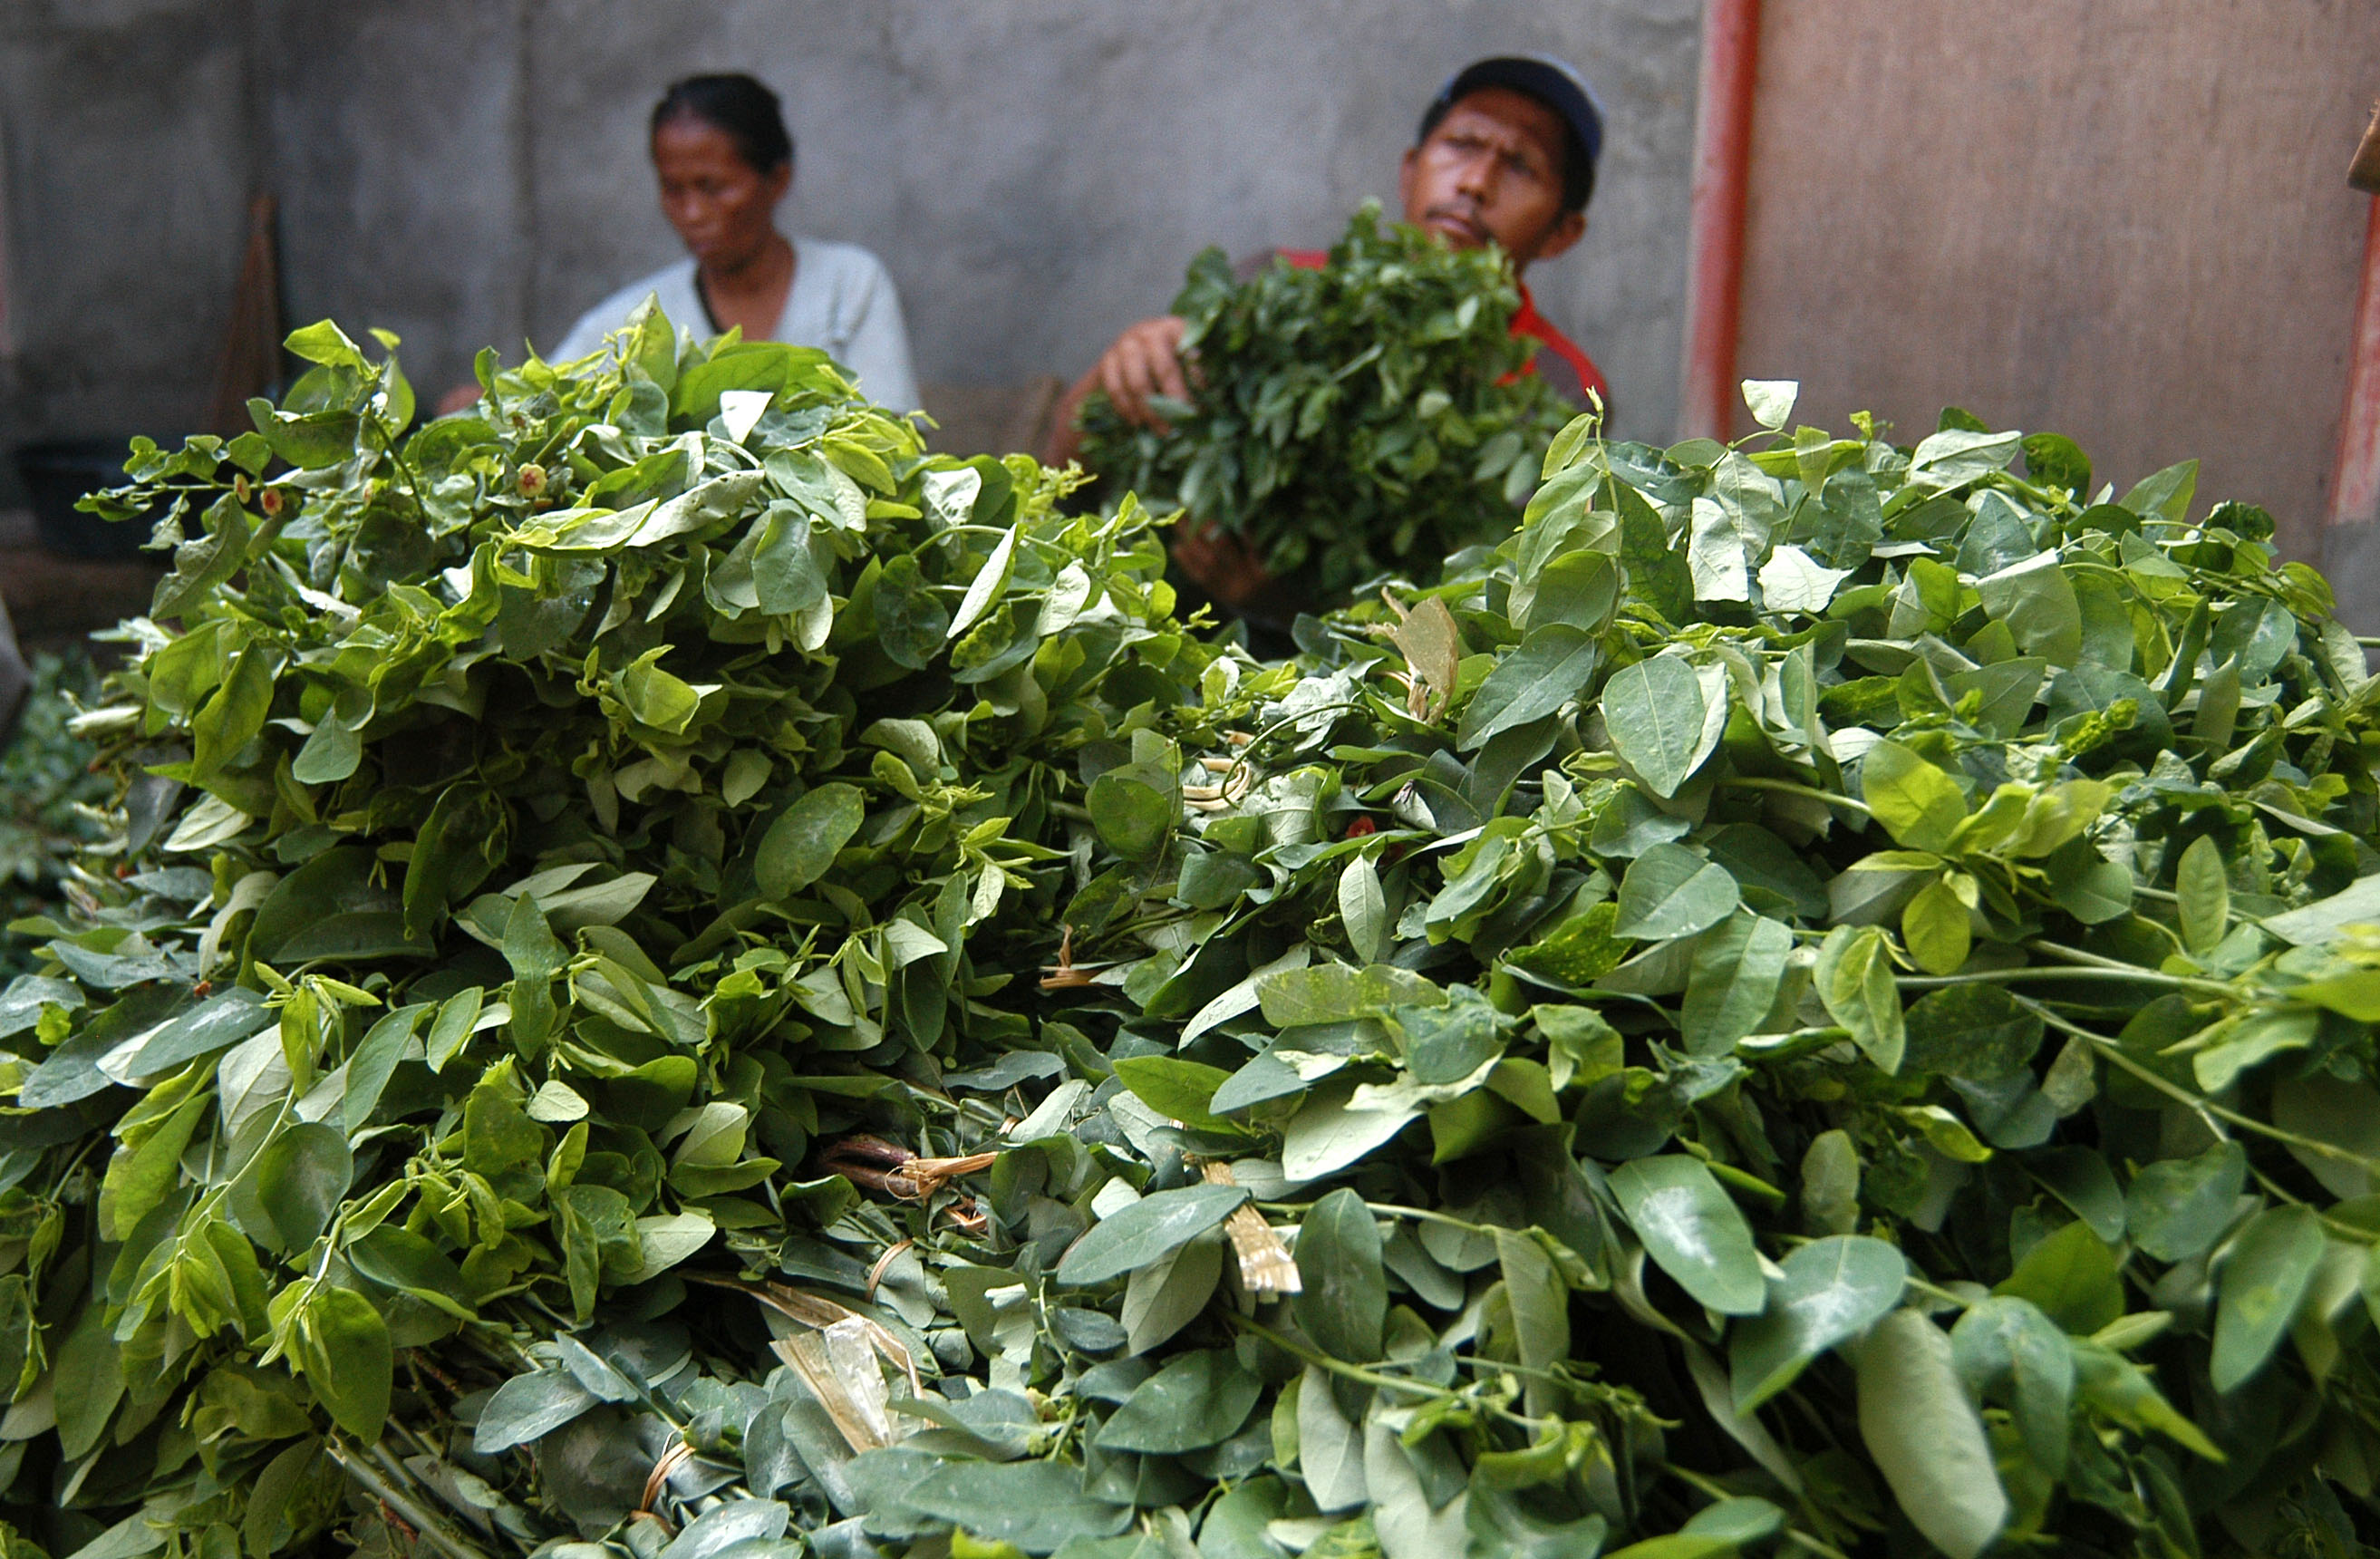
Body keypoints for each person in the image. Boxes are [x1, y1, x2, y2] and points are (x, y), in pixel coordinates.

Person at [1045, 54, 1609, 613]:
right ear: (1410, 169)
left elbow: (1496, 605)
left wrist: (1287, 603)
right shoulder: (1274, 285)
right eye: (1462, 144)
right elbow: (1060, 484)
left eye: (1521, 166)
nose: (1476, 183)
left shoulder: (1566, 392)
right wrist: (1115, 373)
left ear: (1562, 232)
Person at [454, 73, 920, 414]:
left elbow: (892, 437)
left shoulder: (850, 285)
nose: (692, 213)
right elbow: (537, 403)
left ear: (777, 180)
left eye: (713, 187)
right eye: (673, 190)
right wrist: (484, 407)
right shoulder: (635, 319)